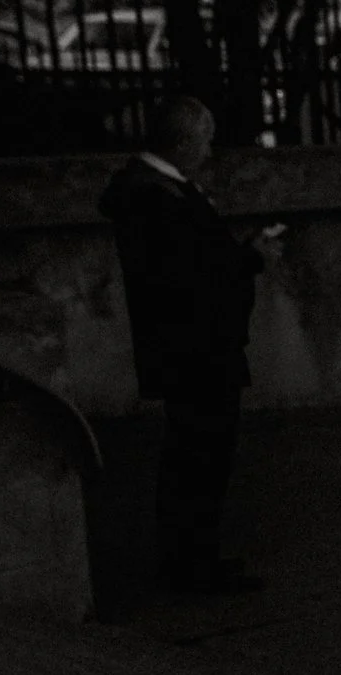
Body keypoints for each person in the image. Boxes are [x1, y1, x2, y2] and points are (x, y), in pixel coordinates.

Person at [100, 95, 283, 594]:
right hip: (196, 347)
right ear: (182, 142)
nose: (208, 150)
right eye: (204, 140)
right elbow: (193, 273)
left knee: (195, 454)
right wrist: (250, 258)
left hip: (190, 345)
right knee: (199, 456)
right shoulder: (157, 197)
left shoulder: (154, 192)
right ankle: (191, 564)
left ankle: (192, 558)